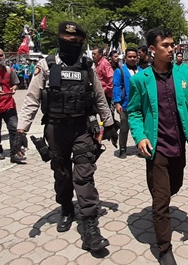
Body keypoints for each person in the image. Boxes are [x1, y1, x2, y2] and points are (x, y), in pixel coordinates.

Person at [17, 21, 118, 252]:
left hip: (82, 128)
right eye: (67, 40)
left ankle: (90, 226)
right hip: (56, 129)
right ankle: (66, 207)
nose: (72, 44)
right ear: (60, 40)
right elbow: (31, 99)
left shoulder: (87, 66)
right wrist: (21, 130)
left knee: (84, 175)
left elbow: (99, 97)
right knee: (61, 173)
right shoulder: (47, 65)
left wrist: (110, 124)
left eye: (77, 42)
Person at [127, 27, 188, 265]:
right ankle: (164, 249)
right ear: (152, 49)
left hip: (178, 143)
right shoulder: (141, 79)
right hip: (156, 146)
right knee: (161, 201)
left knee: (175, 185)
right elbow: (134, 111)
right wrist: (139, 137)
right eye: (166, 45)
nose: (172, 49)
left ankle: (159, 191)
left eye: (173, 45)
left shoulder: (183, 73)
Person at [113, 47, 143, 158]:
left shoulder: (141, 71)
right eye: (130, 57)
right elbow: (116, 87)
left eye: (134, 57)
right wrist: (117, 102)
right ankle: (122, 149)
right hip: (125, 105)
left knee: (139, 127)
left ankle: (141, 148)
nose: (132, 59)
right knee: (124, 128)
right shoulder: (120, 71)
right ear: (125, 58)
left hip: (139, 105)